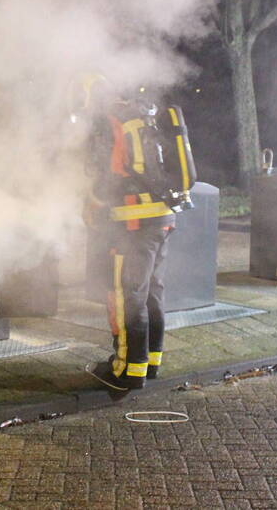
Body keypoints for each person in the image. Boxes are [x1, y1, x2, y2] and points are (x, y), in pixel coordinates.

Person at [76, 75, 178, 391]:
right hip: (162, 217)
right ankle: (150, 363)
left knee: (126, 295)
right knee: (151, 290)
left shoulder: (108, 123)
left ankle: (126, 370)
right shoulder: (142, 116)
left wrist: (93, 206)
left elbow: (102, 176)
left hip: (132, 222)